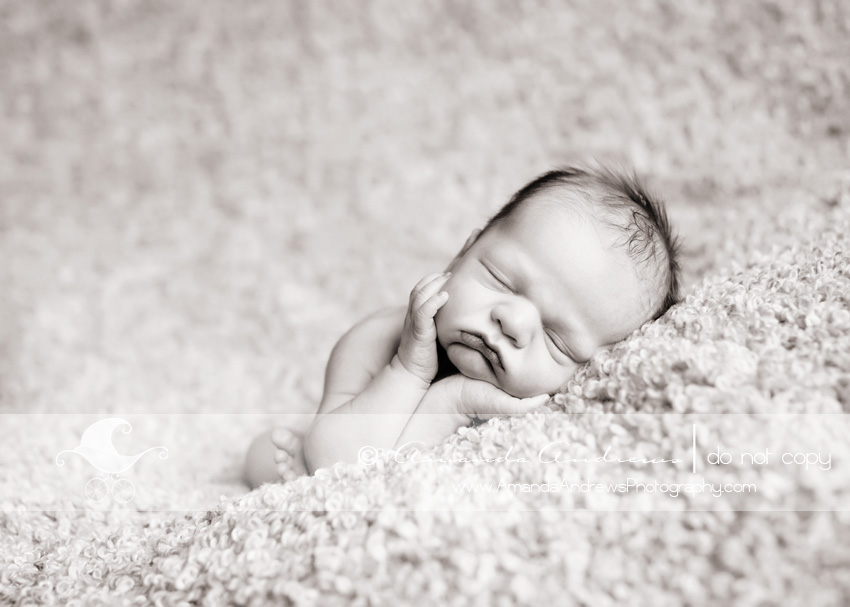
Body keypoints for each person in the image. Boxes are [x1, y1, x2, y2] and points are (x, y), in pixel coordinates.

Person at [243, 165, 681, 487]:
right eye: (501, 280)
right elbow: (335, 467)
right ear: (463, 253)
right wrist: (414, 377)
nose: (513, 322)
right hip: (342, 444)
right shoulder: (374, 340)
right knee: (265, 455)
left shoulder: (545, 414)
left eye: (557, 340)